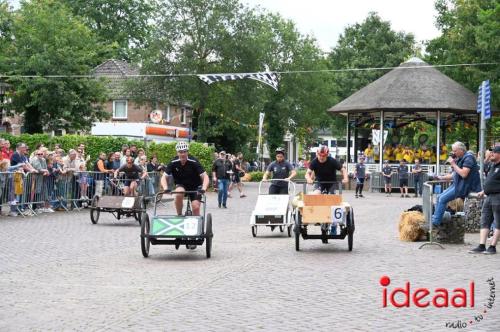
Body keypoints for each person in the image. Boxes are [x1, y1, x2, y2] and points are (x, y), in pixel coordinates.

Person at [432, 141, 482, 227]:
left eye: (455, 151)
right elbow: (454, 175)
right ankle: (437, 218)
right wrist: (440, 177)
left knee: (442, 199)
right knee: (439, 197)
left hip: (465, 186)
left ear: (461, 150)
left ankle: (435, 223)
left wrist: (453, 164)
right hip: (458, 184)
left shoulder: (468, 158)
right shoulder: (460, 158)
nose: (453, 153)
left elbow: (463, 174)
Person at [160, 141, 209, 217]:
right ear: (177, 153)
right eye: (180, 152)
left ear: (187, 152)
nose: (182, 154)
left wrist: (204, 188)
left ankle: (196, 223)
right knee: (179, 192)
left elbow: (205, 176)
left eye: (184, 152)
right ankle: (179, 215)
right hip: (181, 184)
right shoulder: (173, 162)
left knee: (195, 206)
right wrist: (165, 188)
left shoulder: (194, 161)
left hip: (195, 186)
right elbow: (164, 177)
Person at [468, 145, 500, 254]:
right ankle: (481, 245)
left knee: (498, 222)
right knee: (485, 220)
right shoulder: (492, 165)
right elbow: (490, 180)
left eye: (494, 152)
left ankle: (492, 247)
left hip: (498, 197)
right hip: (489, 196)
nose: (491, 154)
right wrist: (483, 191)